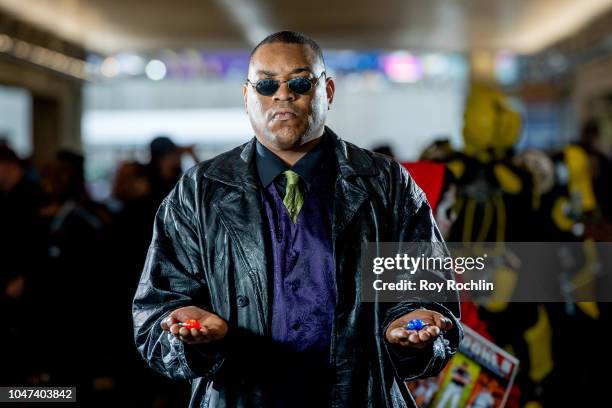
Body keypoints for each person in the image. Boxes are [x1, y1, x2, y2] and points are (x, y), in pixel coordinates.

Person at [133, 30, 462, 407]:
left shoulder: (385, 185)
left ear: (329, 92)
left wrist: (410, 331)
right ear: (246, 96)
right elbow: (155, 314)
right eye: (266, 84)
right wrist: (188, 333)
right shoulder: (200, 190)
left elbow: (426, 297)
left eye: (300, 82)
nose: (282, 94)